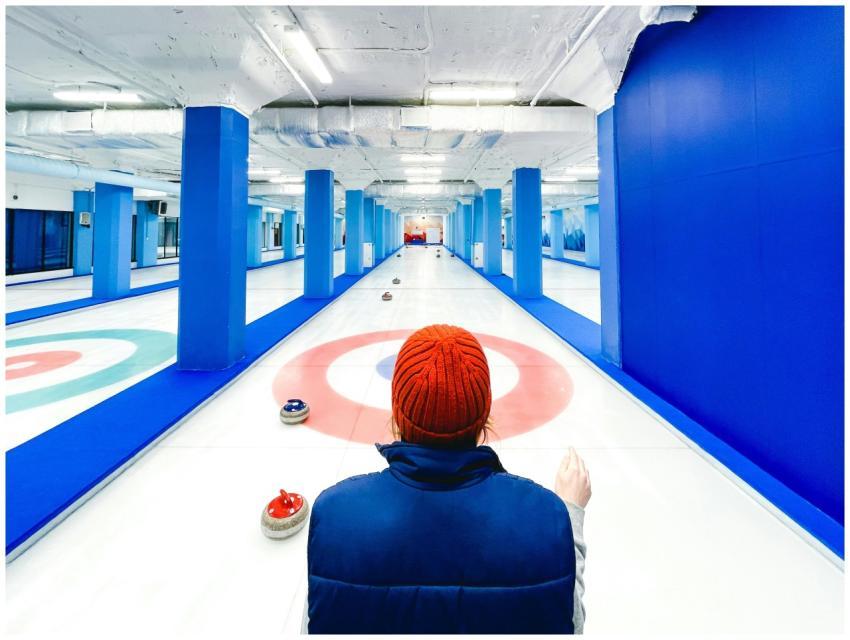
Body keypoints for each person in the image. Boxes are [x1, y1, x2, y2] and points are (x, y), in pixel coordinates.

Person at [305, 324, 591, 634]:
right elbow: (569, 625)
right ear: (483, 413)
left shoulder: (335, 515)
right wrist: (570, 514)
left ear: (399, 412)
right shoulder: (546, 517)